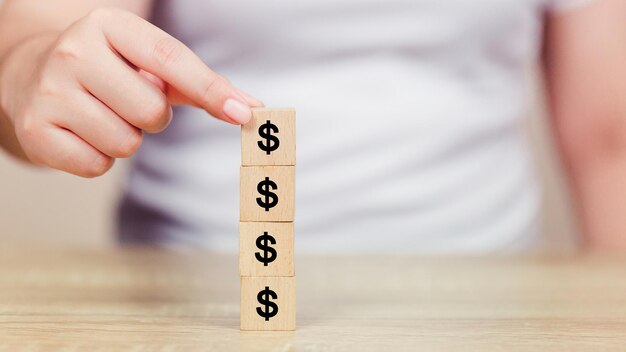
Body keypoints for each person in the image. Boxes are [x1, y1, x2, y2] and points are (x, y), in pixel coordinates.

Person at [0, 0, 624, 253]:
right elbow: (43, 38)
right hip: (188, 296)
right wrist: (27, 63)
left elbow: (610, 147)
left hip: (487, 297)